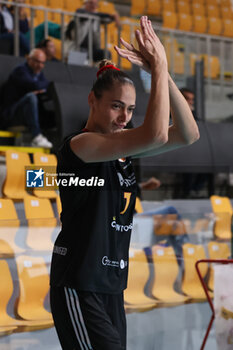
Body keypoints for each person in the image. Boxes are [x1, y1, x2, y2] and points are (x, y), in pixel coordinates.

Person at [50, 16, 199, 350]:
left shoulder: (122, 149)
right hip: (80, 282)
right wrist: (156, 67)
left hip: (112, 286)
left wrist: (164, 73)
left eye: (131, 109)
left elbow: (189, 134)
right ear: (93, 100)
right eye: (116, 106)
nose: (124, 117)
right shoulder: (81, 144)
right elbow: (158, 133)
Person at [0, 48, 53, 148]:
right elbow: (36, 86)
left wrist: (39, 86)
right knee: (31, 97)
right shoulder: (20, 70)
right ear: (29, 59)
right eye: (37, 62)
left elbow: (47, 85)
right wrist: (38, 87)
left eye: (42, 63)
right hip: (10, 115)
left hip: (24, 114)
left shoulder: (38, 73)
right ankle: (36, 136)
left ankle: (44, 133)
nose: (40, 66)